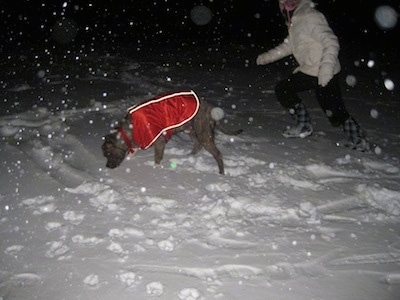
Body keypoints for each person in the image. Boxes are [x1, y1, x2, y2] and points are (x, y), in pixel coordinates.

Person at [256, 0, 369, 151]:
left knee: (330, 107)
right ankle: (307, 126)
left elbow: (331, 41)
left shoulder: (310, 16)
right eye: (282, 3)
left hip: (321, 69)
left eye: (288, 2)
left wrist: (326, 68)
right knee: (327, 105)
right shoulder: (296, 20)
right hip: (312, 69)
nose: (285, 5)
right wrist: (266, 57)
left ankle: (356, 138)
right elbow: (289, 46)